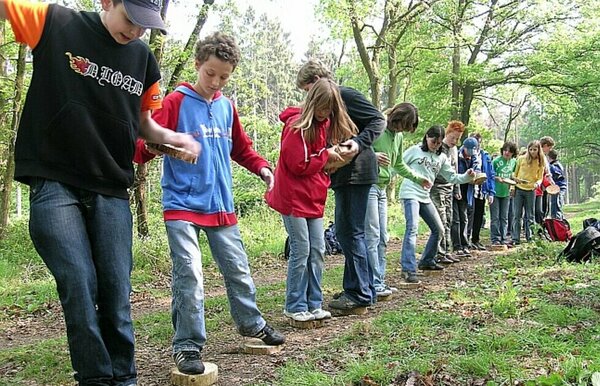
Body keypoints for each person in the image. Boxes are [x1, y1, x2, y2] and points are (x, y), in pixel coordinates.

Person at [0, 0, 200, 384]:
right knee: (79, 283)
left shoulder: (143, 59)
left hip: (110, 187)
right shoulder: (55, 22)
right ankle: (94, 378)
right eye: (131, 20)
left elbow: (146, 125)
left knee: (115, 293)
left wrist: (171, 139)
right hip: (54, 180)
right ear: (108, 2)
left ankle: (124, 378)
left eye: (147, 25)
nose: (138, 31)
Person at [135, 32, 284, 376]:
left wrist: (262, 168)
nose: (215, 82)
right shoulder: (174, 101)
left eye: (224, 77)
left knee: (238, 269)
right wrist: (163, 147)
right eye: (210, 74)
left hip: (221, 206)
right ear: (198, 64)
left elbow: (241, 149)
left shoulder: (226, 106)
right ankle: (187, 345)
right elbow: (142, 147)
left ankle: (251, 325)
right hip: (182, 204)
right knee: (190, 274)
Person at [296, 60, 386, 311]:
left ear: (318, 81)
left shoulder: (345, 95)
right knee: (348, 231)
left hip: (357, 172)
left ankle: (359, 293)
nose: (308, 96)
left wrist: (358, 143)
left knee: (350, 232)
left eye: (307, 89)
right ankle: (362, 288)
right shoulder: (327, 105)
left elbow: (378, 120)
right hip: (342, 174)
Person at [265, 78, 356, 322]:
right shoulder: (295, 126)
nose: (324, 113)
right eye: (322, 107)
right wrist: (326, 155)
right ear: (312, 101)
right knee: (301, 249)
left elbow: (321, 163)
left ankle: (314, 303)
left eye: (329, 109)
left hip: (314, 197)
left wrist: (334, 156)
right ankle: (295, 305)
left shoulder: (326, 124)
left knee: (318, 248)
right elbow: (298, 164)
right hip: (293, 198)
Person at [365, 102, 429, 297]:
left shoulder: (398, 137)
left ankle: (379, 281)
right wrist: (372, 156)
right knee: (373, 236)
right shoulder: (377, 126)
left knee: (383, 237)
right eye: (403, 125)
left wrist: (418, 178)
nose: (402, 130)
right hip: (369, 187)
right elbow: (357, 146)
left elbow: (399, 163)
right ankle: (371, 283)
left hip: (382, 190)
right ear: (397, 117)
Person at [399, 125, 474, 283]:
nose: (436, 145)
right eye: (434, 142)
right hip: (410, 193)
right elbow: (397, 164)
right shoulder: (414, 151)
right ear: (427, 137)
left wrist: (467, 176)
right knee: (412, 228)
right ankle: (408, 269)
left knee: (439, 229)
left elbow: (453, 177)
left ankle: (426, 261)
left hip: (425, 196)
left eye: (439, 143)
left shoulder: (441, 158)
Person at [430, 120, 465, 264]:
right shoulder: (439, 147)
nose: (455, 141)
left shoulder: (454, 149)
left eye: (458, 139)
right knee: (441, 220)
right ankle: (439, 252)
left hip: (449, 188)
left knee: (449, 220)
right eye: (453, 138)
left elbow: (455, 170)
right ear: (447, 134)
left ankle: (447, 250)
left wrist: (456, 188)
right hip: (437, 188)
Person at [511, 140, 545, 245]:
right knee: (517, 214)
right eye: (530, 149)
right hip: (519, 189)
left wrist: (537, 184)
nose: (532, 152)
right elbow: (513, 173)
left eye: (535, 149)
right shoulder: (521, 159)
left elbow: (540, 178)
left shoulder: (540, 162)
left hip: (531, 190)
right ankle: (515, 238)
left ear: (538, 150)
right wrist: (514, 182)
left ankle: (530, 237)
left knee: (530, 215)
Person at [452, 137, 480, 258]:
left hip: (467, 192)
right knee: (456, 219)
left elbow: (477, 168)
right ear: (464, 148)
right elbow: (453, 173)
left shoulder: (474, 157)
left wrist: (475, 174)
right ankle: (456, 245)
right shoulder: (456, 156)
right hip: (455, 190)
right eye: (468, 151)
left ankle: (465, 244)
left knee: (464, 219)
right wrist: (456, 189)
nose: (470, 155)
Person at [467, 133, 495, 250]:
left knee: (479, 215)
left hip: (481, 190)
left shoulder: (485, 156)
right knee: (469, 215)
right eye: (475, 141)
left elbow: (491, 174)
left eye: (479, 141)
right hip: (470, 189)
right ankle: (465, 240)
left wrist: (491, 192)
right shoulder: (466, 154)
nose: (477, 144)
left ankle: (476, 239)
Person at [491, 141, 517, 246]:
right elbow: (490, 175)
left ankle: (504, 237)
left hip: (506, 192)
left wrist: (514, 183)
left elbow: (513, 175)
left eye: (509, 151)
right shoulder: (496, 161)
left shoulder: (514, 162)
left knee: (504, 217)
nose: (507, 153)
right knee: (495, 217)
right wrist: (497, 178)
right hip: (495, 192)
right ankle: (495, 238)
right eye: (505, 150)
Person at [547, 149, 567, 220]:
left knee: (556, 205)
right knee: (555, 205)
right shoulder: (556, 164)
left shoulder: (554, 166)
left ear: (549, 157)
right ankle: (556, 220)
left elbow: (555, 175)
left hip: (558, 187)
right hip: (557, 187)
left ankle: (557, 221)